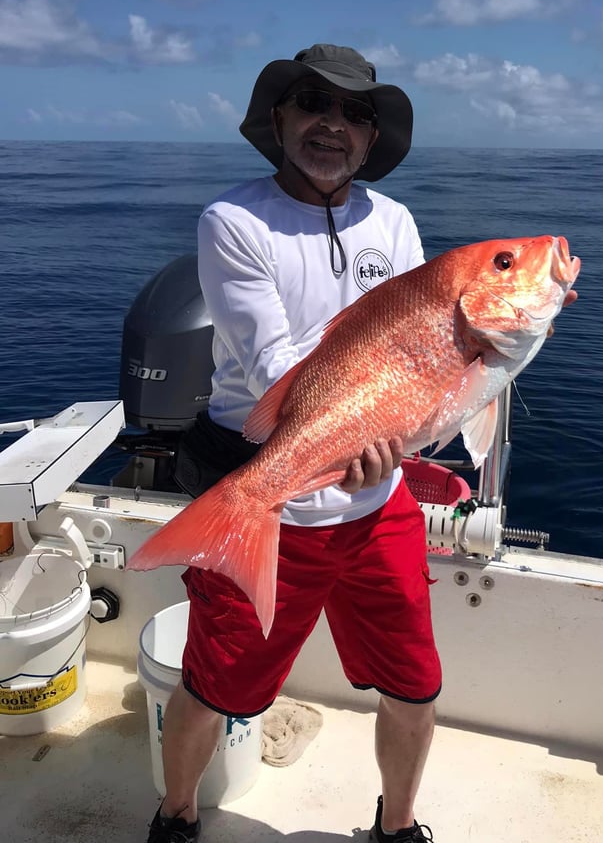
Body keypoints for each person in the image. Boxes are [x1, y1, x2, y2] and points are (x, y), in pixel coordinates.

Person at [147, 44, 439, 843]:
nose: (333, 124)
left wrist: (405, 437)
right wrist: (351, 433)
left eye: (356, 113)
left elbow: (418, 350)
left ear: (373, 139)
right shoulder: (234, 222)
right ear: (278, 118)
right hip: (272, 502)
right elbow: (272, 361)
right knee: (215, 687)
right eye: (314, 102)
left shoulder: (397, 221)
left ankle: (399, 826)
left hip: (380, 504)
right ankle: (176, 814)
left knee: (415, 687)